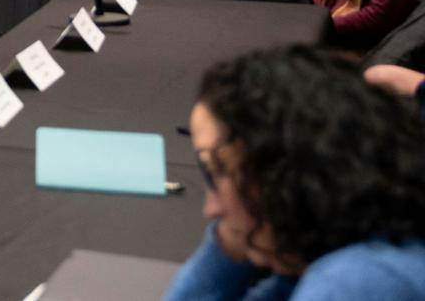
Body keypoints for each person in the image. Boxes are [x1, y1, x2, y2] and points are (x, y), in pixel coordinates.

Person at [165, 46, 425, 300]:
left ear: (284, 175)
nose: (211, 209)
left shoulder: (356, 282)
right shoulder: (340, 243)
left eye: (217, 173)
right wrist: (231, 243)